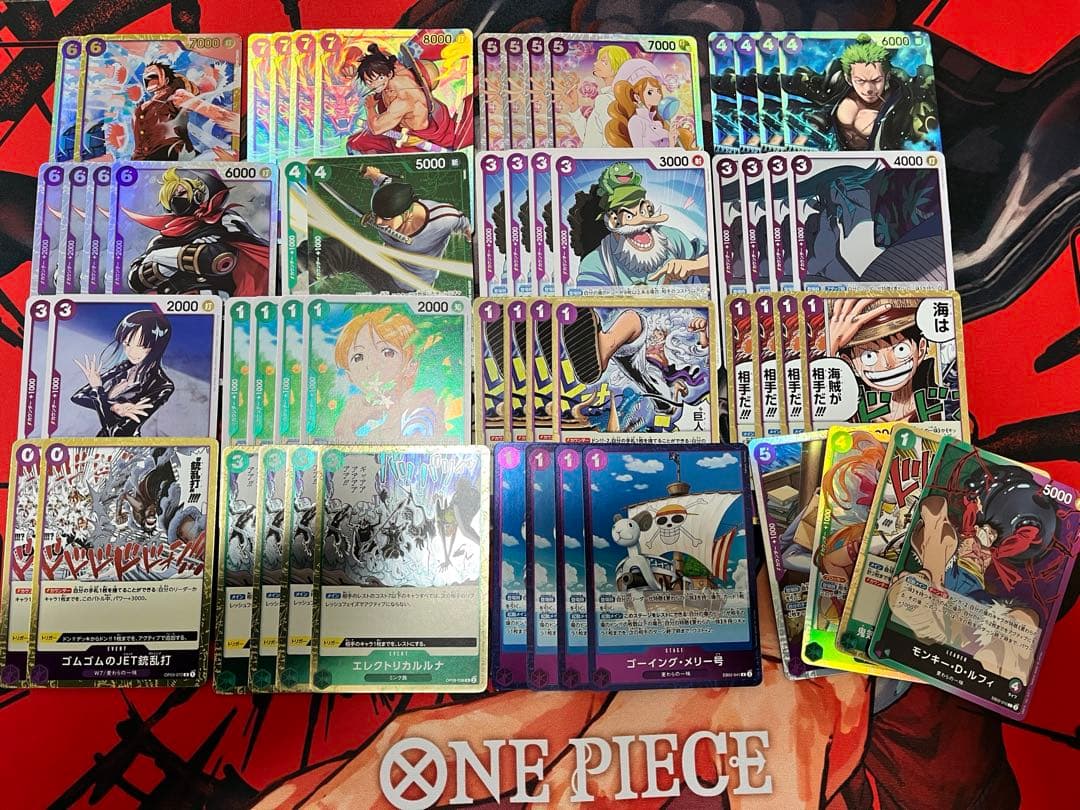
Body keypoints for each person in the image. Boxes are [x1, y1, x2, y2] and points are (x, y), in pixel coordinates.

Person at [125, 168, 270, 297]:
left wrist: (159, 257)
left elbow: (218, 257)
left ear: (197, 195)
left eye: (182, 192)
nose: (177, 198)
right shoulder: (161, 240)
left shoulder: (222, 220)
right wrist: (173, 258)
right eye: (171, 197)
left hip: (217, 298)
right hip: (174, 302)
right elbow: (136, 281)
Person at [569, 162, 709, 288]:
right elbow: (591, 305)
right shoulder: (596, 263)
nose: (641, 221)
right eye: (629, 215)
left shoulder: (672, 237)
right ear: (612, 220)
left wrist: (693, 266)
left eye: (642, 210)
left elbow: (715, 260)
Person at [332, 307, 444, 442]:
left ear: (411, 366)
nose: (372, 364)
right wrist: (346, 428)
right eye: (358, 357)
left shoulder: (420, 406)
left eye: (387, 352)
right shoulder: (354, 410)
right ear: (350, 375)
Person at [345, 43, 472, 154]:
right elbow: (382, 56)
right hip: (398, 131)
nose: (373, 85)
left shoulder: (404, 100)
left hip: (414, 141)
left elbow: (376, 128)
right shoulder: (397, 68)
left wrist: (370, 107)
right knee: (354, 143)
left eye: (378, 79)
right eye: (369, 81)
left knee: (361, 146)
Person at [71, 310, 174, 438]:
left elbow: (117, 434)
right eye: (127, 344)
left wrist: (98, 390)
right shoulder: (125, 367)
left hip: (126, 446)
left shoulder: (162, 386)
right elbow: (79, 396)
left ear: (157, 347)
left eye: (142, 346)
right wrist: (114, 406)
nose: (131, 352)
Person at [605, 59, 694, 149]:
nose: (658, 95)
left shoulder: (657, 122)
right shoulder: (636, 121)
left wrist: (672, 142)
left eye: (658, 90)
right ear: (637, 97)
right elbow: (640, 153)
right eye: (650, 92)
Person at [558, 44, 630, 148]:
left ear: (618, 68)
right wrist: (574, 107)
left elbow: (595, 144)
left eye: (604, 61)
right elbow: (591, 137)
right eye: (598, 60)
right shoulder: (621, 98)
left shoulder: (605, 100)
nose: (596, 63)